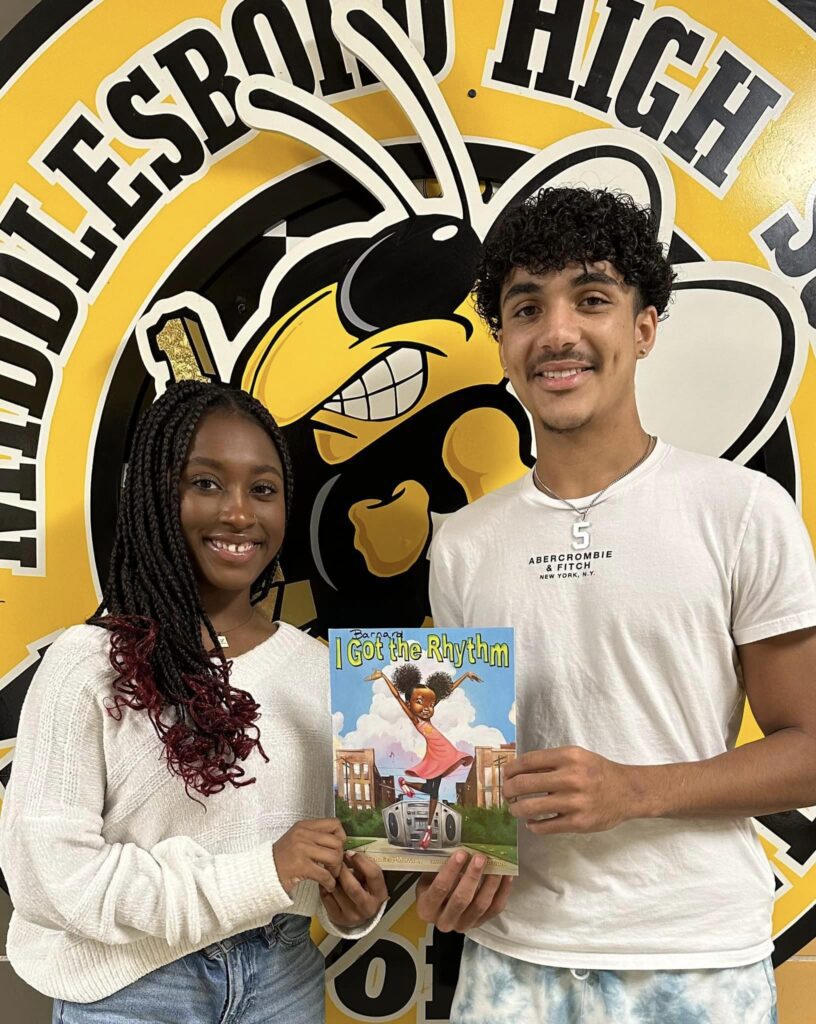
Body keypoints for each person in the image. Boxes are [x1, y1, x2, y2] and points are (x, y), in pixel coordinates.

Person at [417, 187, 816, 1023]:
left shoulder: (742, 511)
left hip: (694, 962)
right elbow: (461, 771)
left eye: (592, 299)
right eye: (527, 307)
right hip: (511, 960)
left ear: (644, 326)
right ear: (503, 343)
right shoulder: (462, 545)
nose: (557, 331)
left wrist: (634, 790)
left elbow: (810, 749)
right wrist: (446, 872)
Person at [0, 381, 388, 1023]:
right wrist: (262, 871)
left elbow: (323, 862)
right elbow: (51, 878)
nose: (239, 513)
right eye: (205, 483)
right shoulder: (89, 663)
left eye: (263, 489)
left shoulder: (326, 675)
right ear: (156, 495)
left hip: (283, 979)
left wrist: (350, 906)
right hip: (134, 990)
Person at [364, 664, 479, 848]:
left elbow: (446, 692)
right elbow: (396, 696)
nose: (427, 708)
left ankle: (424, 823)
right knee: (432, 791)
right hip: (437, 755)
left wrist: (465, 676)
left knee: (432, 791)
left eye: (431, 705)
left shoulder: (426, 716)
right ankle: (426, 825)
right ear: (409, 704)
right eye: (420, 702)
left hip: (445, 753)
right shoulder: (415, 718)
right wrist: (384, 677)